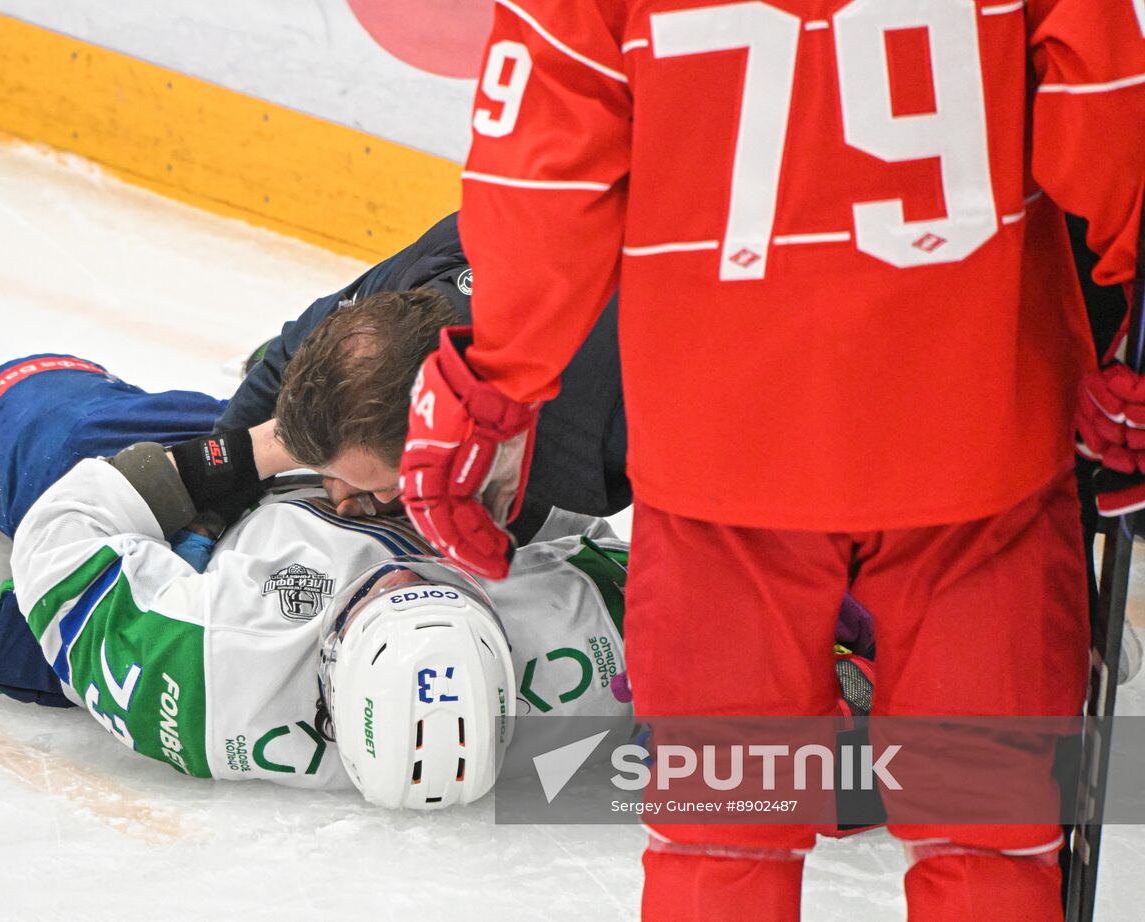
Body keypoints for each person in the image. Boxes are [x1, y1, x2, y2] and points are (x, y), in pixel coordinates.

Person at [398, 2, 1145, 919]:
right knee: (987, 845)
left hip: (721, 466)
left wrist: (493, 383)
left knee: (721, 845)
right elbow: (1111, 109)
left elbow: (545, 176)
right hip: (975, 442)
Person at [0, 232, 635, 805]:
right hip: (355, 430)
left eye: (375, 600)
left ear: (327, 676)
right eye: (428, 586)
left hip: (268, 481)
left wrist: (73, 622)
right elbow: (693, 596)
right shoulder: (582, 664)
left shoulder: (221, 684)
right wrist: (248, 452)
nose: (392, 563)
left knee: (38, 436)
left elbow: (62, 540)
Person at [222, 212, 629, 532]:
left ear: (445, 432)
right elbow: (290, 352)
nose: (379, 499)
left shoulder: (619, 413)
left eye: (386, 484)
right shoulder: (408, 286)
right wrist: (216, 490)